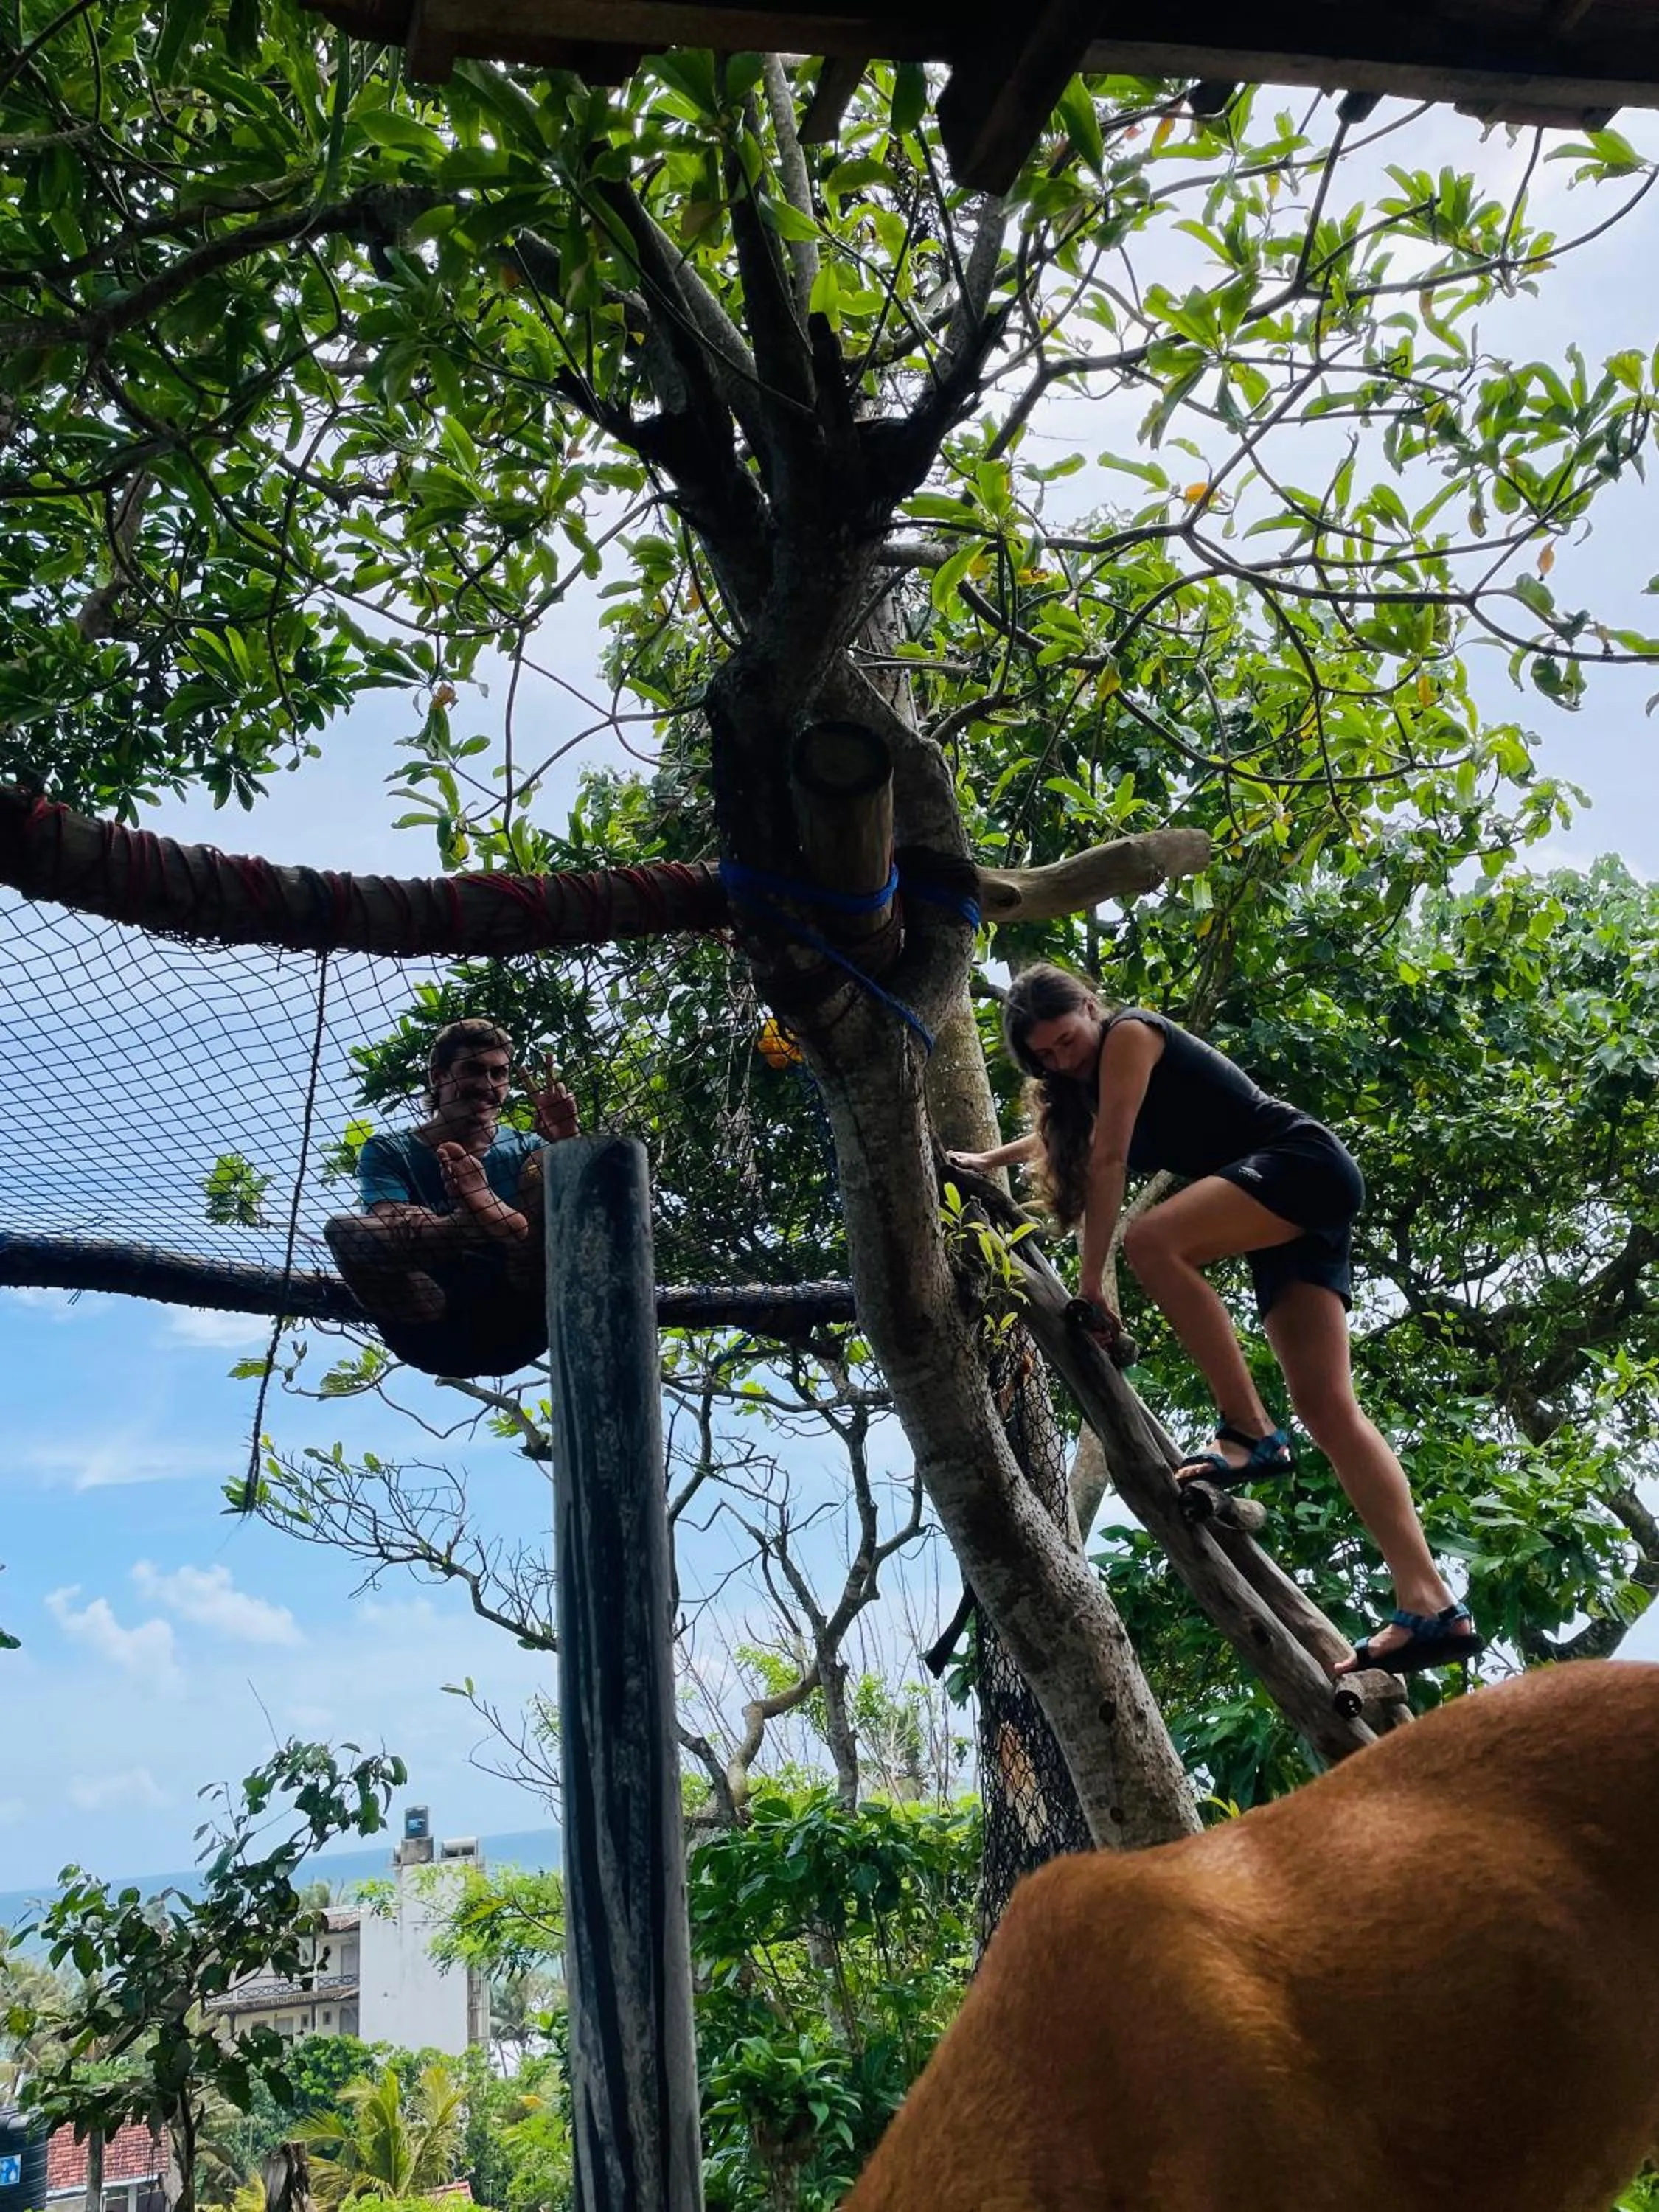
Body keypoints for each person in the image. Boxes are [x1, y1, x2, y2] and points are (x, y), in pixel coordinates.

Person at [950, 964, 1479, 1677]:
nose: (1061, 1059)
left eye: (1066, 1040)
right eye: (1044, 1056)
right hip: (1293, 1213)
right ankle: (1430, 1605)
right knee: (1327, 1407)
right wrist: (990, 1157)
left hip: (1300, 1164)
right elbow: (1066, 1140)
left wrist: (1090, 1284)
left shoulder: (1133, 1035)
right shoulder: (1085, 1085)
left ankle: (1247, 1431)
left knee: (1152, 1241)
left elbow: (1110, 1158)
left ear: (1089, 1007)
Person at [324, 1018, 577, 1378]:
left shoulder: (528, 1147)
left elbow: (586, 1219)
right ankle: (478, 1222)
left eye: (499, 1075)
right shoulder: (390, 1149)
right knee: (343, 1232)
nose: (487, 1085)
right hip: (429, 1320)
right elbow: (389, 1219)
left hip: (524, 1309)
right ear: (439, 1076)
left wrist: (568, 1143)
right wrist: (470, 1223)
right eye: (473, 1070)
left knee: (547, 1164)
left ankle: (493, 1220)